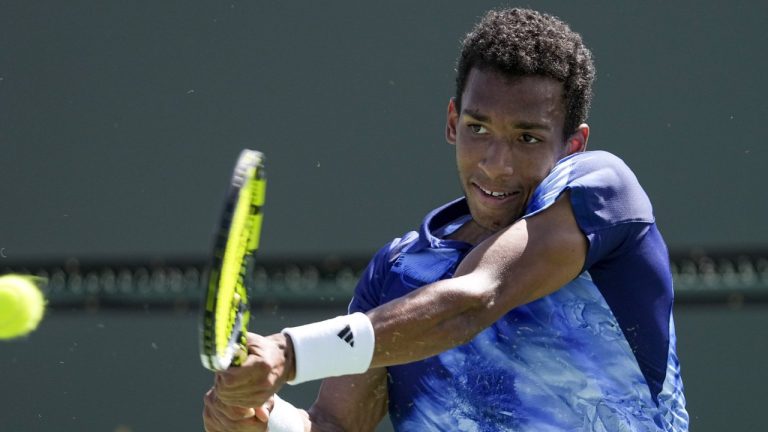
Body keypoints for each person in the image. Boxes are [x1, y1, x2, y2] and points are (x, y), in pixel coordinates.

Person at [203, 7, 689, 432]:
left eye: (528, 138)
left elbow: (476, 298)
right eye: (478, 129)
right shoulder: (397, 272)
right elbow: (334, 426)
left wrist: (290, 353)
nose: (496, 163)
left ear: (573, 145)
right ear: (453, 122)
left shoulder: (603, 191)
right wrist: (263, 422)